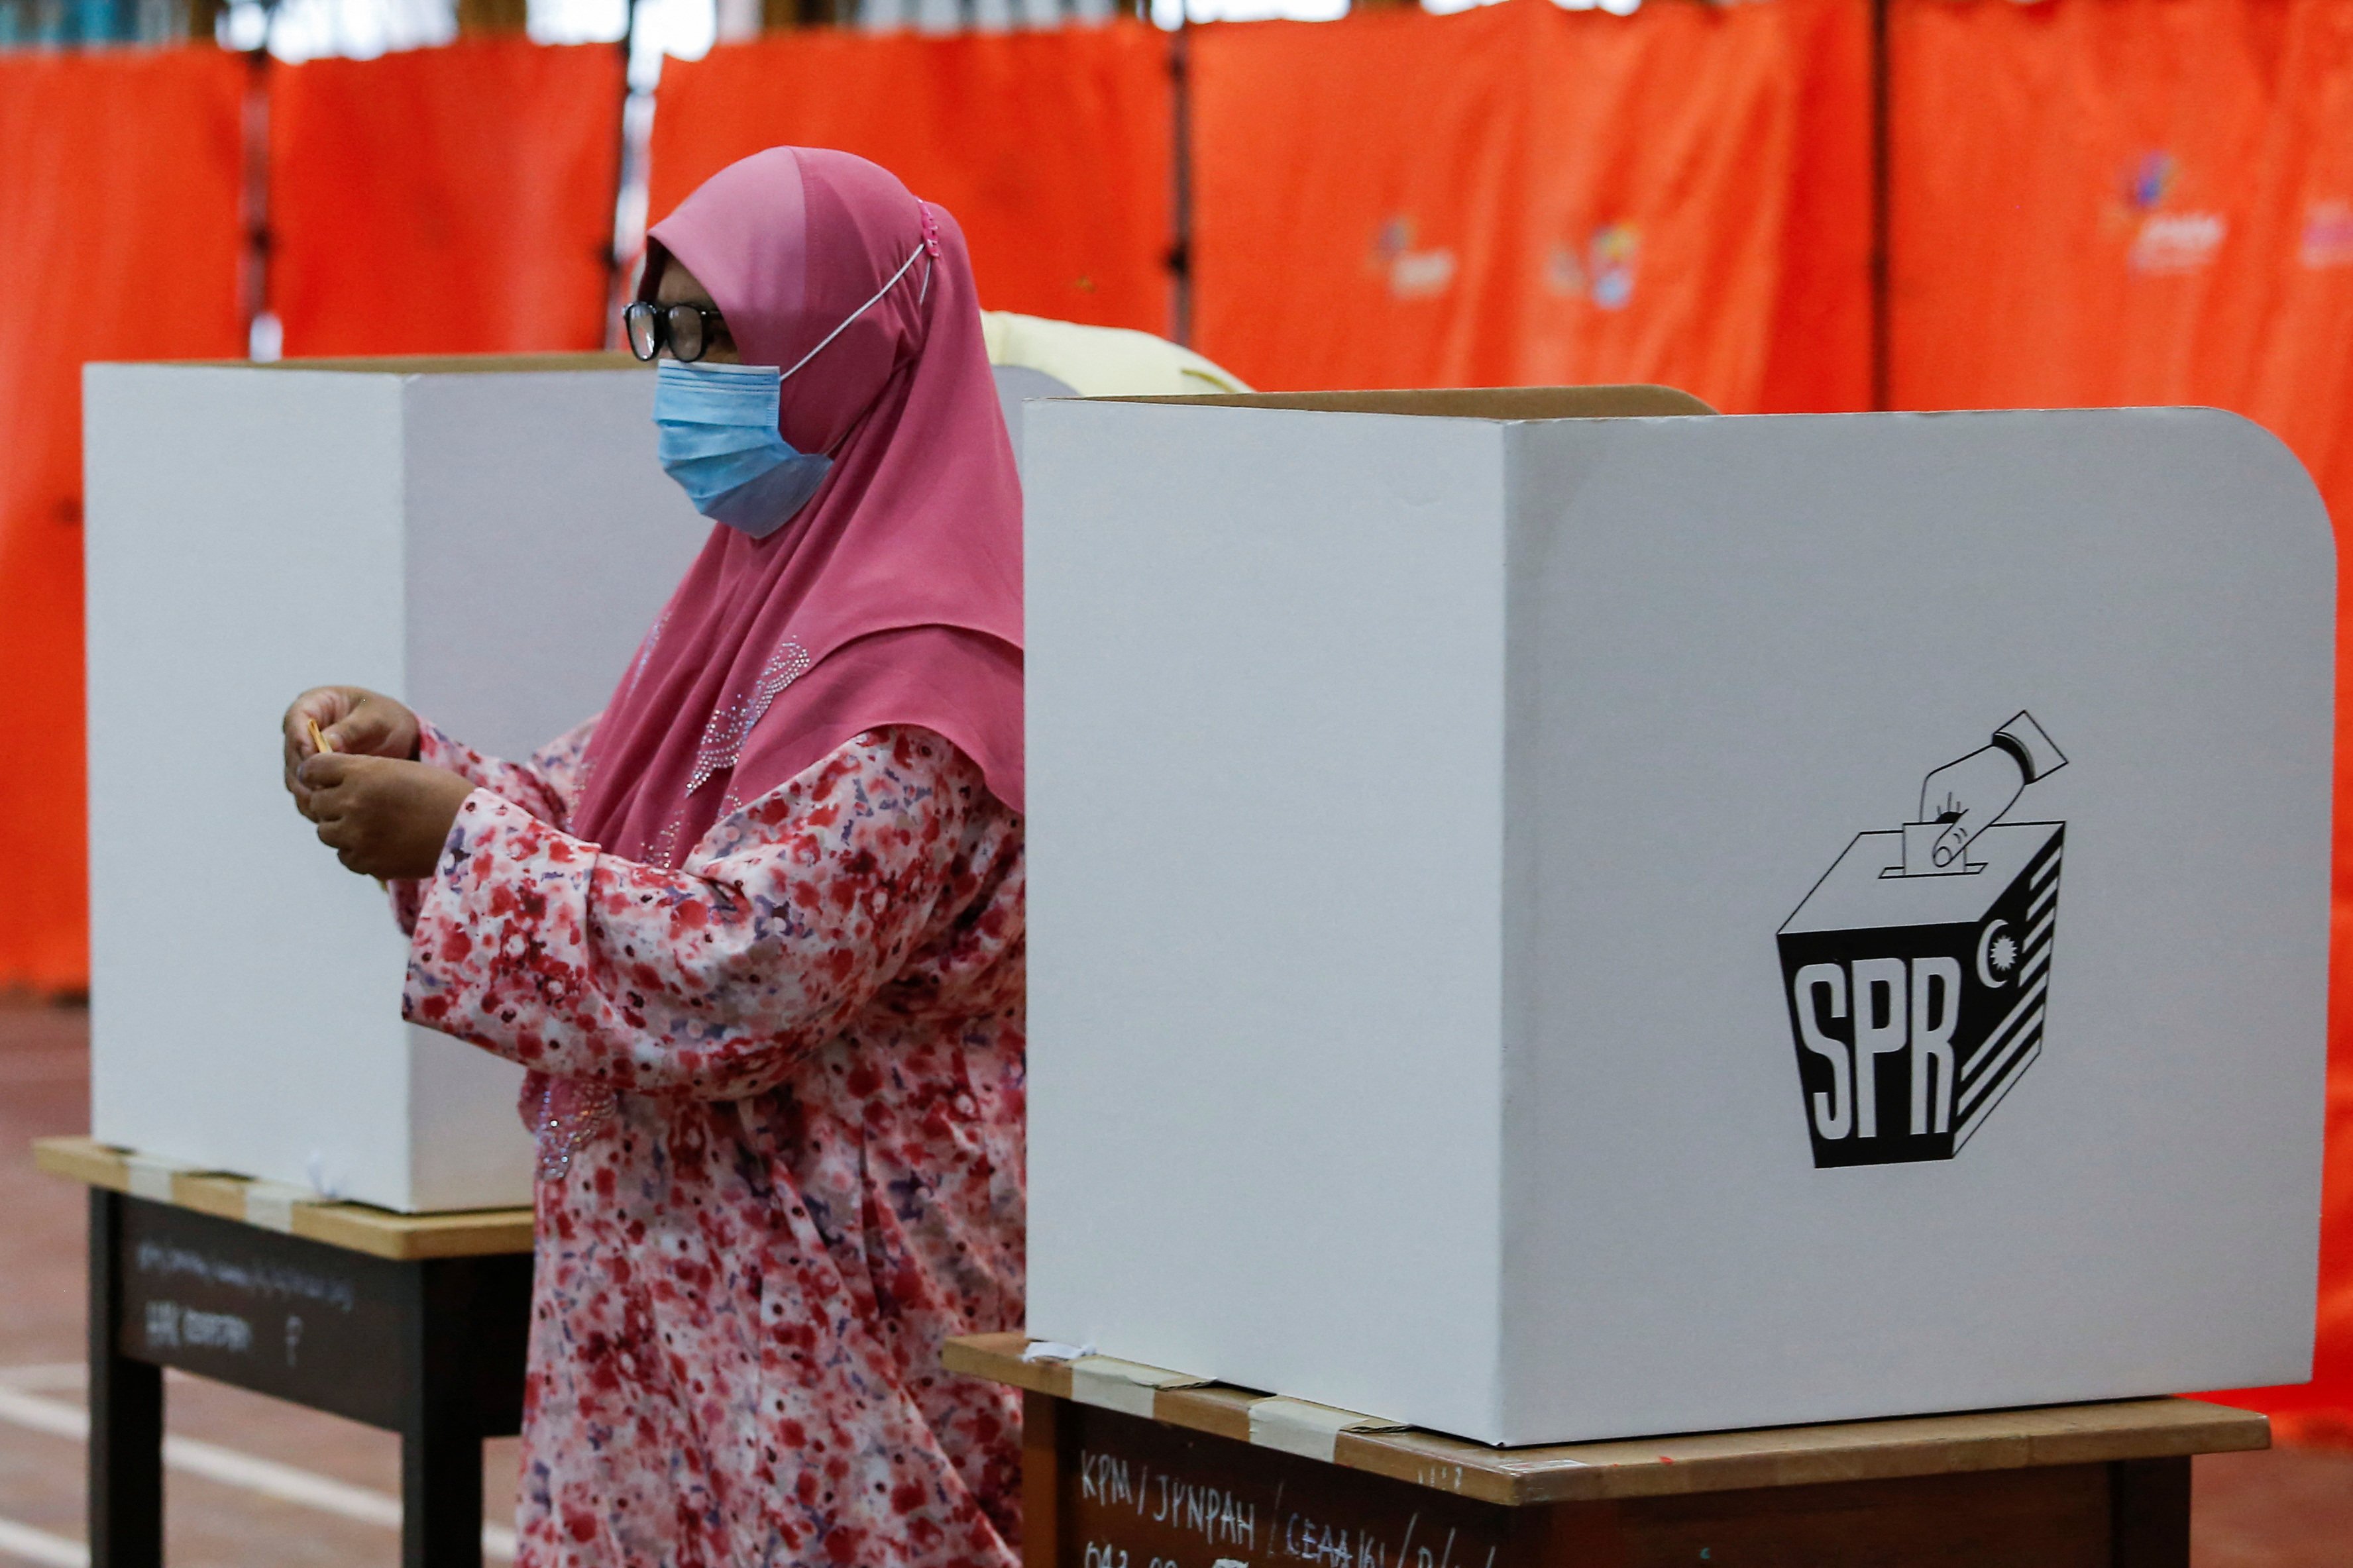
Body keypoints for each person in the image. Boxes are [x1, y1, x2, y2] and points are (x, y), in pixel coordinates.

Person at [279, 147, 1027, 1568]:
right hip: (683, 1320)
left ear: (852, 347)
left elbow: (747, 963)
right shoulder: (758, 589)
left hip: (836, 1316)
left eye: (720, 335)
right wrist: (429, 765)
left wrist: (456, 837)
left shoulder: (918, 666)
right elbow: (608, 810)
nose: (681, 377)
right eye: (661, 332)